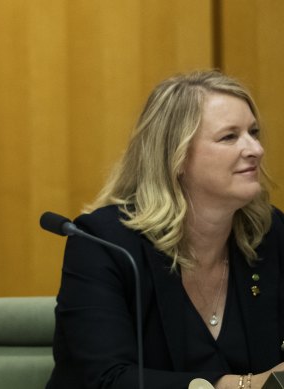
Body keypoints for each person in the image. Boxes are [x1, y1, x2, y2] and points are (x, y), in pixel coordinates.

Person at [45, 70, 284, 389]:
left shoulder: (268, 232)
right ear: (177, 155)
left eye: (253, 132)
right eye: (230, 136)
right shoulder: (105, 243)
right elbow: (108, 379)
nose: (255, 149)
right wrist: (246, 385)